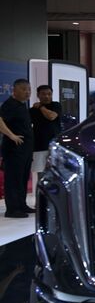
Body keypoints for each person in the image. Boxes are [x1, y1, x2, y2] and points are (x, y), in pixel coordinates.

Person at [0, 79, 34, 218]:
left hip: (25, 150)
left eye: (29, 89)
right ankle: (12, 209)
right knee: (13, 179)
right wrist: (11, 135)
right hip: (14, 150)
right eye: (24, 89)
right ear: (14, 90)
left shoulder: (21, 105)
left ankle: (21, 205)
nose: (27, 92)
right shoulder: (10, 105)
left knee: (22, 178)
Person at [29, 85, 61, 179]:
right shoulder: (32, 110)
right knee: (41, 176)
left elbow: (51, 117)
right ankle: (41, 194)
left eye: (49, 94)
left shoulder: (56, 105)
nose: (46, 96)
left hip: (54, 146)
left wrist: (41, 107)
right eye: (43, 94)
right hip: (39, 146)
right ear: (38, 95)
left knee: (56, 175)